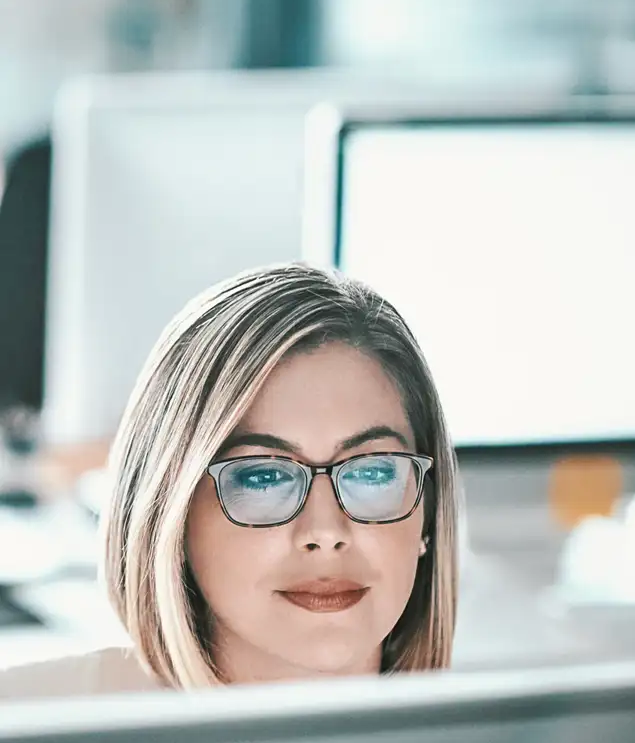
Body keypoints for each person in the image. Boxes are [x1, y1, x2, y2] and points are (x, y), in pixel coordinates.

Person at [0, 263, 458, 698]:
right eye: (262, 477)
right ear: (172, 514)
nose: (326, 532)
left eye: (373, 472)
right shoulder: (27, 738)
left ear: (428, 515)